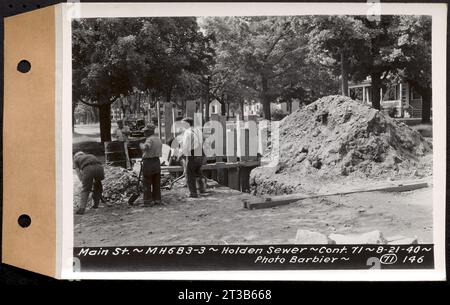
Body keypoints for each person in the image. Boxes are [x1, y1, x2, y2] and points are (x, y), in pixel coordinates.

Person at [180, 117, 206, 198]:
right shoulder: (198, 130)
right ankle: (202, 189)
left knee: (189, 174)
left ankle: (193, 193)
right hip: (201, 153)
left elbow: (186, 146)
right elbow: (204, 140)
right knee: (198, 172)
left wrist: (181, 154)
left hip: (192, 153)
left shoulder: (187, 132)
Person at [140, 124, 163, 206]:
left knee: (147, 181)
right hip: (156, 161)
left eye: (145, 131)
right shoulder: (158, 139)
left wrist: (141, 146)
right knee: (156, 181)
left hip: (149, 162)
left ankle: (148, 201)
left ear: (150, 131)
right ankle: (157, 199)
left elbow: (146, 147)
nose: (144, 133)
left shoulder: (149, 139)